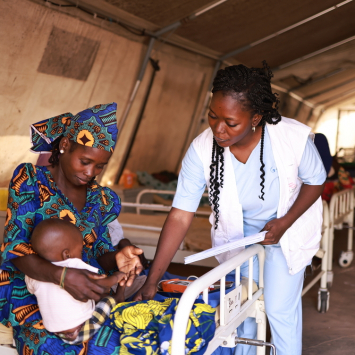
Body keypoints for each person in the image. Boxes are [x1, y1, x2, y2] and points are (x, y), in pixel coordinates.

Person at [134, 62, 326, 355]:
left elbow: (316, 181)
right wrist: (152, 279)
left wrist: (285, 222)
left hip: (284, 234)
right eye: (212, 116)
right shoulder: (201, 149)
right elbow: (180, 215)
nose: (218, 129)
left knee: (278, 311)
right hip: (238, 239)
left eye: (230, 122)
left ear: (255, 118)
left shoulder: (291, 137)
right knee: (240, 314)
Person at [0, 102, 146, 354]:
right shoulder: (31, 181)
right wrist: (62, 277)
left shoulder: (101, 199)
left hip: (88, 301)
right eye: (85, 161)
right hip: (35, 302)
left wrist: (119, 257)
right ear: (65, 146)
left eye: (100, 166)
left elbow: (99, 256)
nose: (91, 172)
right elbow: (14, 248)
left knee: (124, 345)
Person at [25, 218, 127, 344]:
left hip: (55, 331)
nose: (81, 255)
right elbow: (102, 284)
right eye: (80, 250)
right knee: (108, 300)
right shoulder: (75, 265)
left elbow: (32, 290)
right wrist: (118, 276)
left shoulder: (34, 274)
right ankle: (119, 298)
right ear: (66, 254)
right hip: (82, 329)